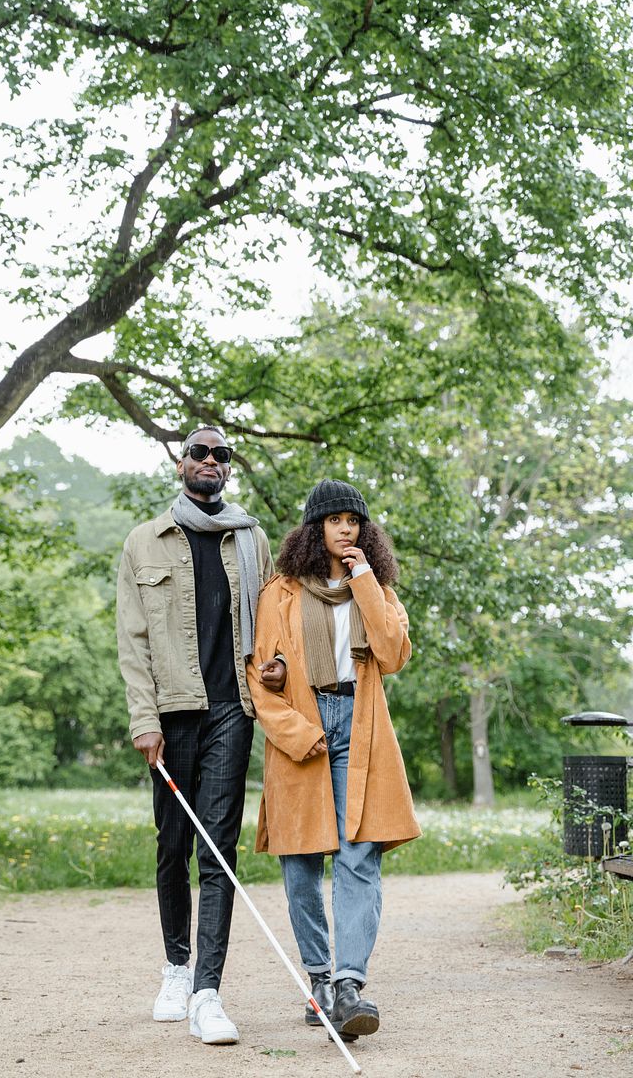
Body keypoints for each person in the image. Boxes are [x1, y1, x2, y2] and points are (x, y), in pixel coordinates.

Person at [116, 425, 284, 1046]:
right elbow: (133, 643)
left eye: (221, 455)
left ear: (228, 469)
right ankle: (175, 968)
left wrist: (277, 670)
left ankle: (208, 993)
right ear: (181, 463)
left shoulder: (252, 540)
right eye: (200, 452)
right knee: (172, 845)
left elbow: (272, 625)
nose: (210, 461)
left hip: (231, 712)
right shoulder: (145, 541)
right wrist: (144, 720)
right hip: (171, 712)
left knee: (218, 850)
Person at [247, 478, 420, 1042]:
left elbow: (392, 654)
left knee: (358, 856)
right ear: (314, 527)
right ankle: (319, 979)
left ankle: (349, 985)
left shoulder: (379, 589)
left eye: (355, 520)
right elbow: (259, 675)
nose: (346, 528)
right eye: (335, 519)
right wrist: (297, 731)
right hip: (304, 727)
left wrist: (364, 576)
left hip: (361, 727)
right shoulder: (280, 593)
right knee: (300, 865)